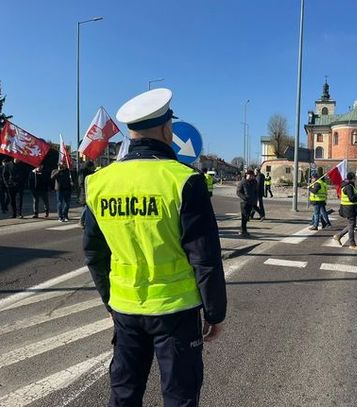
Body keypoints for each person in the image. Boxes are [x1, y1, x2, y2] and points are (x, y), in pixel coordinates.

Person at [83, 88, 226, 406]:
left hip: (125, 307)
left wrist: (110, 300)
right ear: (166, 129)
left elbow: (94, 252)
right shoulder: (184, 180)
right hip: (176, 310)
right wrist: (215, 312)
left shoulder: (99, 183)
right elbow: (205, 257)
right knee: (179, 395)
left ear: (132, 133)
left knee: (124, 392)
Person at [333, 172, 357, 249]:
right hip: (349, 209)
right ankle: (352, 244)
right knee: (352, 226)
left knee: (351, 225)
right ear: (353, 178)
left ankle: (338, 236)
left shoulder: (347, 185)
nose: (355, 179)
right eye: (355, 178)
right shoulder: (349, 186)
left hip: (349, 208)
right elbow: (352, 198)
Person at [237, 169, 258, 237]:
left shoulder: (254, 182)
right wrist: (244, 198)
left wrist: (255, 199)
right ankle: (243, 230)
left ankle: (243, 230)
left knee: (247, 217)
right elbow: (238, 192)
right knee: (244, 216)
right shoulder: (242, 182)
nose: (251, 177)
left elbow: (255, 191)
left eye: (252, 176)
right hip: (244, 203)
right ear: (246, 175)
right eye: (250, 175)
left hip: (251, 202)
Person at [78, 161, 95, 227]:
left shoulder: (90, 172)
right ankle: (81, 221)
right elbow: (81, 183)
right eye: (92, 166)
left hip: (89, 191)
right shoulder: (83, 172)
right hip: (85, 192)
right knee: (86, 207)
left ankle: (84, 221)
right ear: (89, 167)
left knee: (87, 207)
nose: (93, 167)